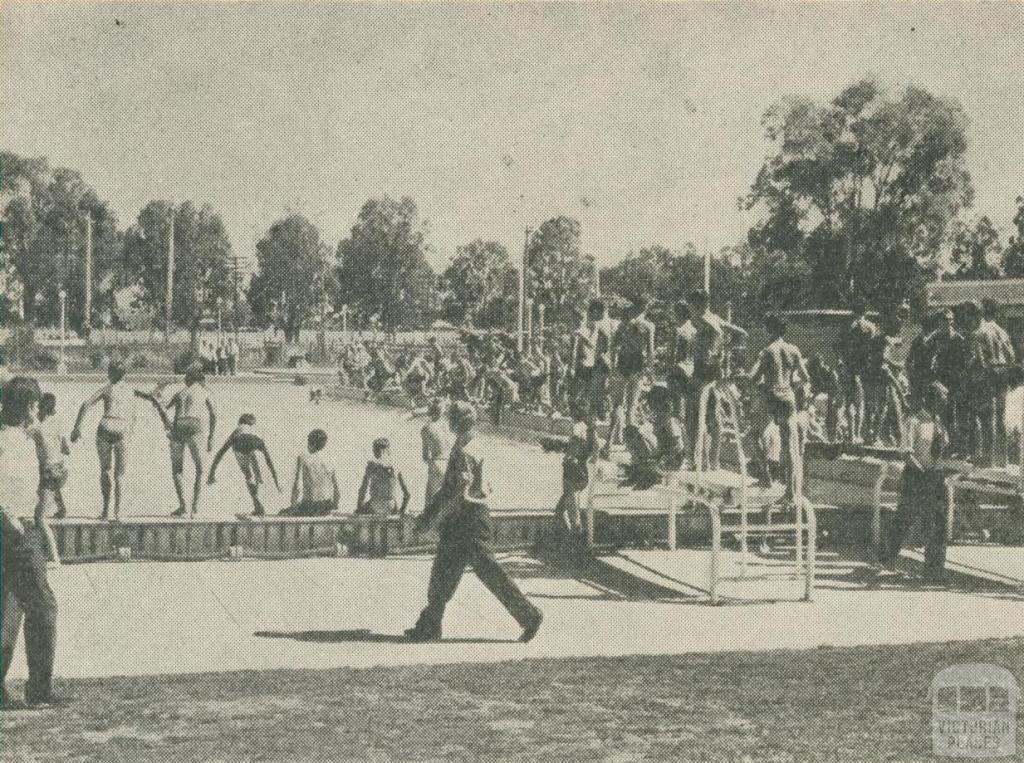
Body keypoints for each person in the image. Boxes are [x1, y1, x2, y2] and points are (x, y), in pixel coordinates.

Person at [405, 402, 543, 643]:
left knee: (487, 573)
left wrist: (431, 519)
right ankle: (429, 625)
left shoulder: (463, 451)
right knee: (444, 574)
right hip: (471, 518)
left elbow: (455, 491)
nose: (449, 422)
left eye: (452, 419)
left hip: (467, 521)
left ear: (457, 422)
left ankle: (530, 615)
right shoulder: (473, 445)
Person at [1, 376, 62, 709]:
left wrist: (43, 440)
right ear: (27, 405)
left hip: (25, 527)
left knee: (9, 611)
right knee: (42, 607)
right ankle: (38, 690)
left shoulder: (31, 438)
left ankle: (27, 689)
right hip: (13, 530)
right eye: (35, 404)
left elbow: (55, 474)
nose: (38, 409)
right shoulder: (5, 439)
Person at [70, 361, 165, 521]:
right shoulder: (131, 389)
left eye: (108, 372)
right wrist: (159, 392)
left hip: (106, 425)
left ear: (111, 374)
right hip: (122, 427)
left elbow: (86, 404)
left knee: (105, 470)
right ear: (124, 375)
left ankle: (105, 511)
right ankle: (118, 513)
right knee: (119, 474)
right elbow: (151, 397)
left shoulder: (107, 389)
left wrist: (77, 428)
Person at [882, 381, 951, 581]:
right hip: (916, 477)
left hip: (935, 479)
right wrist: (922, 473)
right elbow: (905, 452)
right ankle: (887, 559)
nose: (944, 402)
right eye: (941, 398)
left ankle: (934, 571)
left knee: (937, 524)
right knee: (904, 519)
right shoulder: (913, 422)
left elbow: (943, 450)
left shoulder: (939, 424)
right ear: (931, 400)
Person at [747, 315, 809, 500]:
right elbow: (805, 378)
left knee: (753, 435)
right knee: (789, 445)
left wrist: (758, 388)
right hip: (788, 398)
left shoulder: (766, 352)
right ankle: (790, 492)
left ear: (769, 330)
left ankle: (766, 476)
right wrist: (792, 386)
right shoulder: (793, 350)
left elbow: (752, 378)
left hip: (770, 396)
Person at [687, 290, 747, 469]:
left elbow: (715, 334)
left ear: (697, 304)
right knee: (713, 416)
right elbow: (742, 333)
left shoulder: (699, 319)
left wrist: (715, 349)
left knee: (696, 417)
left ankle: (701, 461)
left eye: (692, 305)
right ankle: (713, 461)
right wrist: (723, 348)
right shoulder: (716, 318)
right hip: (714, 370)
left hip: (702, 370)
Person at [604, 297, 656, 459]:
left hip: (623, 364)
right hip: (637, 365)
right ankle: (631, 447)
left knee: (618, 405)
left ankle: (608, 443)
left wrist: (612, 366)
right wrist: (649, 371)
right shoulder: (648, 326)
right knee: (631, 408)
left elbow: (613, 347)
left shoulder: (622, 325)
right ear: (645, 309)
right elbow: (651, 351)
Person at [165, 367, 217, 517]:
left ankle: (183, 506)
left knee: (177, 469)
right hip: (194, 424)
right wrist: (211, 437)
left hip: (179, 424)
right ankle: (194, 508)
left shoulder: (180, 393)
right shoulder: (205, 391)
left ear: (188, 379)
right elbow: (214, 414)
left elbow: (163, 407)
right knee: (200, 469)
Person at [207, 414, 281, 516]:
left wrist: (211, 473)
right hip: (256, 442)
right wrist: (277, 481)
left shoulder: (238, 429)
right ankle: (258, 499)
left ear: (241, 422)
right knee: (257, 475)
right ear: (252, 424)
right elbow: (269, 461)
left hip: (240, 442)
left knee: (248, 475)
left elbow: (220, 453)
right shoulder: (256, 431)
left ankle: (257, 503)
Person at [974, 298, 1017, 468]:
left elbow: (981, 360)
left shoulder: (981, 332)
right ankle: (1002, 460)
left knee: (987, 418)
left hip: (987, 377)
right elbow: (1012, 357)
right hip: (1002, 376)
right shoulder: (1002, 332)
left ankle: (988, 460)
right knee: (1000, 418)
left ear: (982, 313)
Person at [28, 393, 68, 565]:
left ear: (43, 408)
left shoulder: (38, 428)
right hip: (61, 470)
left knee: (40, 518)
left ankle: (55, 558)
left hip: (49, 473)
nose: (36, 410)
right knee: (45, 493)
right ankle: (62, 508)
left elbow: (26, 432)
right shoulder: (58, 423)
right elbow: (66, 449)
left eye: (38, 407)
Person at [837, 300, 878, 444]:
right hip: (864, 369)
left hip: (849, 368)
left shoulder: (846, 327)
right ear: (865, 312)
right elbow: (873, 350)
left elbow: (839, 349)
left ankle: (851, 433)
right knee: (862, 402)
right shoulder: (870, 327)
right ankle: (860, 434)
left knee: (849, 403)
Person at [282, 429, 340, 516]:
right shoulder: (330, 460)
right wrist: (334, 506)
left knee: (283, 512)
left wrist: (293, 508)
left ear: (310, 442)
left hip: (310, 506)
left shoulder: (303, 457)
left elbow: (297, 486)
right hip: (326, 506)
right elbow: (337, 489)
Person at [356, 438, 411, 516]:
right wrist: (401, 510)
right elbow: (407, 494)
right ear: (388, 450)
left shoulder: (372, 465)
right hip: (391, 506)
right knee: (393, 500)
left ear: (375, 450)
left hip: (374, 505)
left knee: (360, 508)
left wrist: (359, 509)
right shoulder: (396, 466)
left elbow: (363, 490)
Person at [420, 399, 451, 510]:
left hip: (437, 462)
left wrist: (431, 464)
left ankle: (428, 524)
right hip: (449, 463)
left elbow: (425, 455)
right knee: (446, 501)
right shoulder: (446, 426)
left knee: (430, 501)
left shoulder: (426, 428)